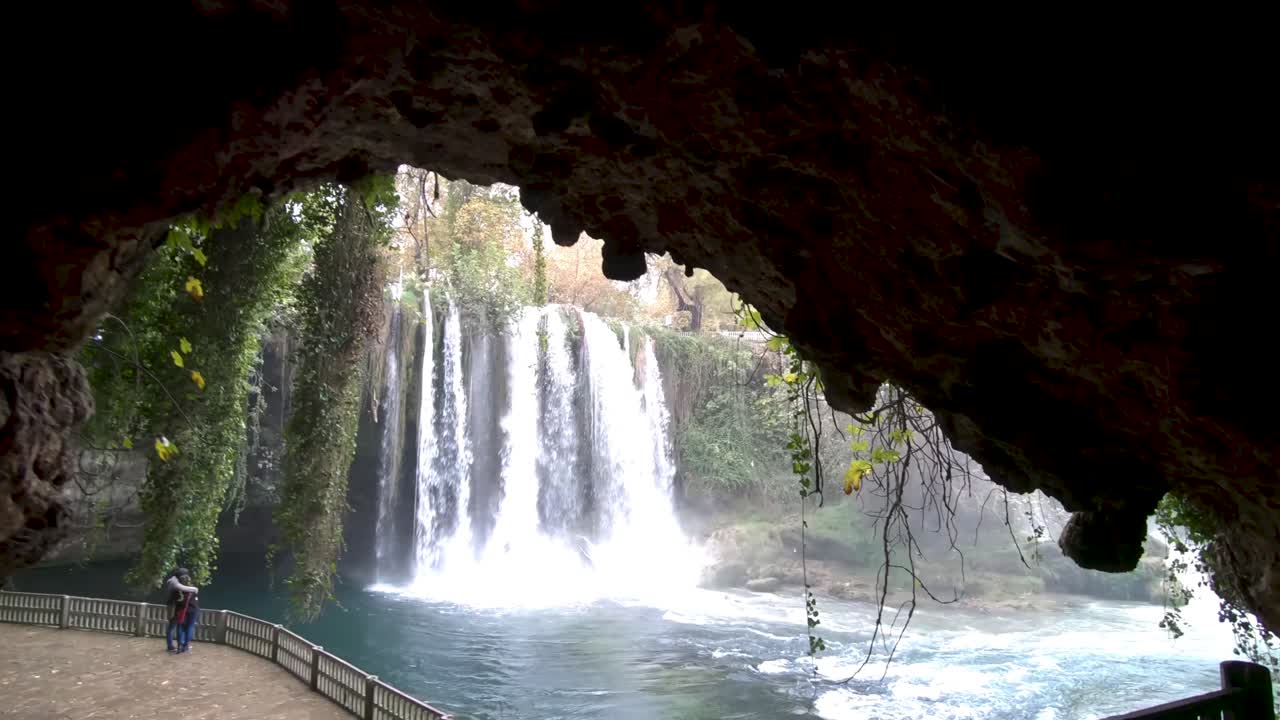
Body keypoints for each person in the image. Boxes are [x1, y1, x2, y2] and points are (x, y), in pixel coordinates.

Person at [163, 568, 198, 653]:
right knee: (176, 626)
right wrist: (195, 589)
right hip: (177, 608)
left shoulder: (172, 581)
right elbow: (187, 590)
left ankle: (174, 645)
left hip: (174, 606)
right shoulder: (176, 584)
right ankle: (178, 645)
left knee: (174, 626)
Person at [174, 573, 200, 654]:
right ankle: (186, 646)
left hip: (181, 610)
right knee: (190, 627)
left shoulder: (178, 590)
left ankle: (179, 645)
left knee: (180, 627)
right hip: (193, 610)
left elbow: (176, 601)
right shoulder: (193, 589)